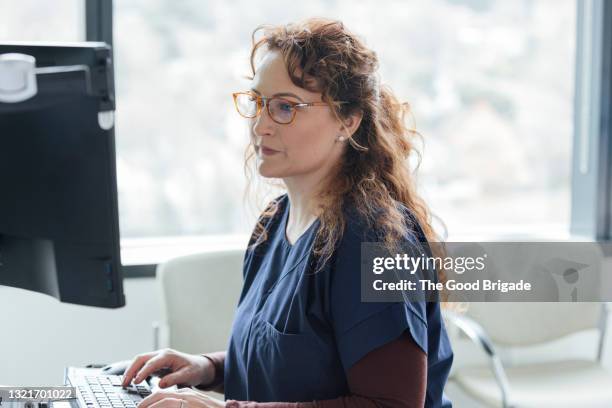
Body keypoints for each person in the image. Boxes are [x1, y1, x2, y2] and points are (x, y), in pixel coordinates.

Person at [121, 17, 454, 408]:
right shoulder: (275, 220)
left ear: (347, 121)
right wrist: (207, 368)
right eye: (257, 103)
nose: (260, 126)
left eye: (285, 107)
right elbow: (298, 364)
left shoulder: (374, 241)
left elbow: (391, 405)